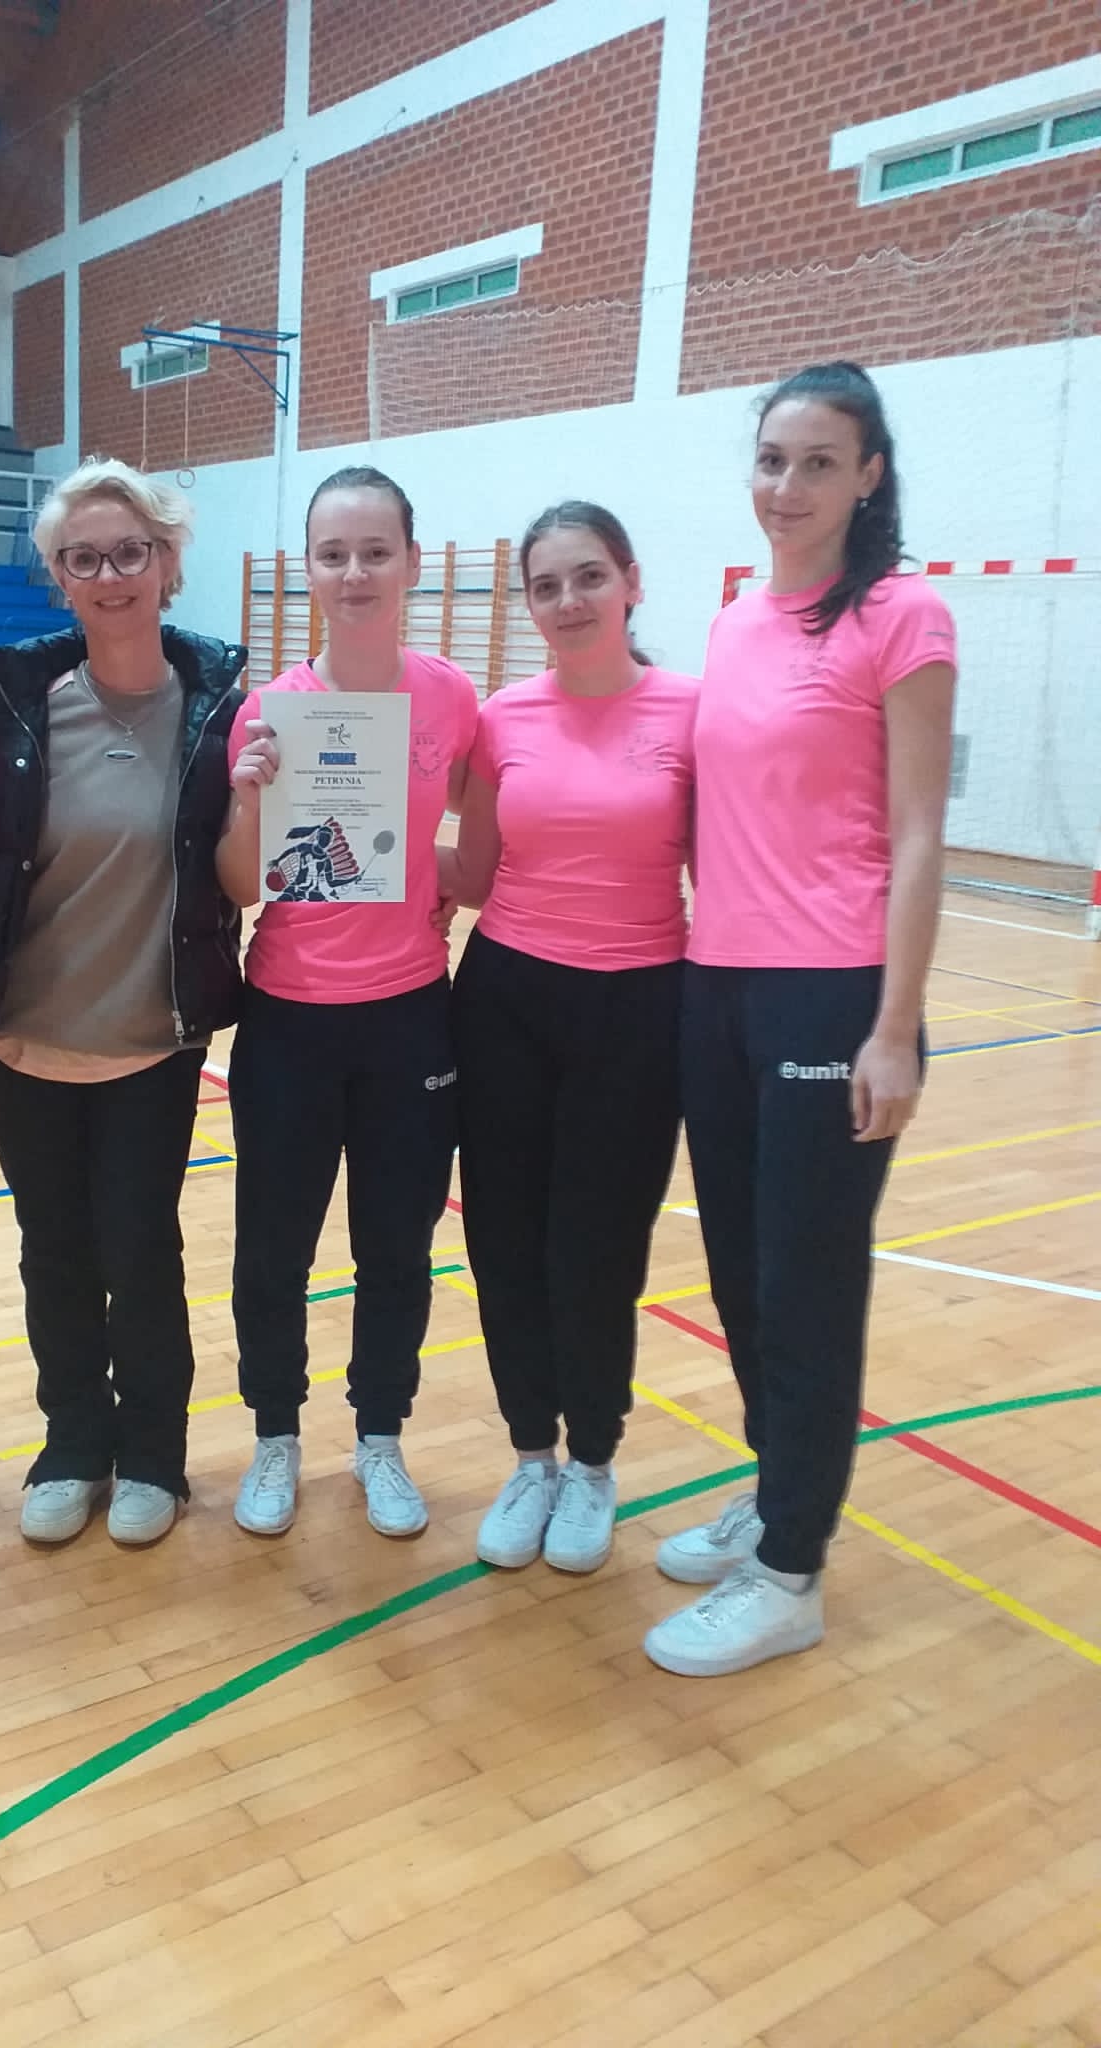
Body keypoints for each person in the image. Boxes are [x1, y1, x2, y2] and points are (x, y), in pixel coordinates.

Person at [644, 361, 956, 1678]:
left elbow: (922, 831)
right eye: (773, 459)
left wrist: (896, 1024)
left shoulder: (903, 614)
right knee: (738, 1274)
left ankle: (790, 1572)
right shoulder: (735, 623)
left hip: (834, 990)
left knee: (806, 1284)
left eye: (820, 462)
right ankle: (779, 1489)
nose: (789, 486)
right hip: (717, 984)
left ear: (868, 476)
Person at [0, 457, 245, 1551]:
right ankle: (73, 1442)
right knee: (54, 1252)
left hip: (150, 1044)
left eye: (130, 552)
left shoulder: (224, 710)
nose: (111, 574)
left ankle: (155, 1455)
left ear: (168, 563)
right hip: (24, 1040)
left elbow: (256, 863)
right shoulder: (8, 704)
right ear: (60, 578)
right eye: (84, 558)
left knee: (140, 1249)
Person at [217, 466, 478, 1540]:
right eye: (335, 554)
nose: (356, 572)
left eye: (377, 552)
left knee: (397, 1247)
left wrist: (443, 877)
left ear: (412, 562)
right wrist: (249, 794)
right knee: (273, 1247)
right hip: (288, 1017)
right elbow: (242, 885)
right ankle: (275, 1432)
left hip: (410, 1016)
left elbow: (482, 837)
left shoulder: (451, 698)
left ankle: (380, 1434)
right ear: (310, 570)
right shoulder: (270, 710)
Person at [447, 503, 695, 1575]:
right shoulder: (503, 716)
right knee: (502, 1241)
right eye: (545, 585)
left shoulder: (692, 710)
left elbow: (724, 875)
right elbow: (472, 872)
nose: (568, 601)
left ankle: (592, 1459)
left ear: (630, 581)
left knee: (597, 1249)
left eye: (588, 576)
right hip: (505, 997)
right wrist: (335, 835)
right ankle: (531, 1456)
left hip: (638, 1010)